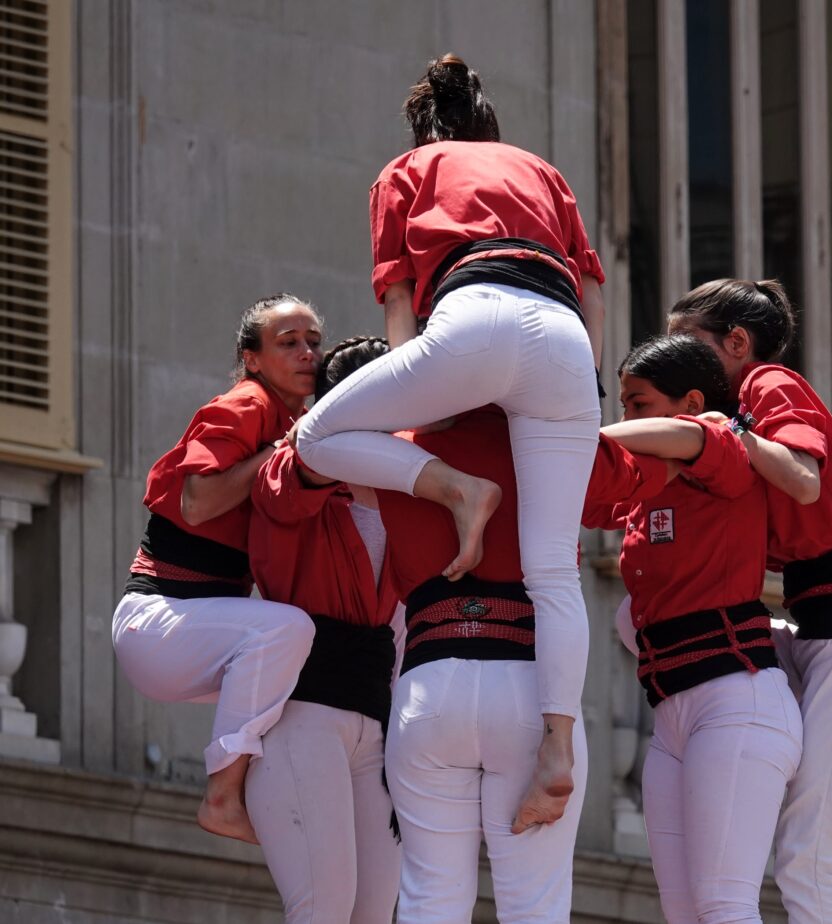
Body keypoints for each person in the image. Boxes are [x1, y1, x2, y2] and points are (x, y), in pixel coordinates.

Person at [295, 54, 605, 828]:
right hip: (565, 341)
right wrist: (584, 395)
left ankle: (459, 490)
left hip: (474, 317)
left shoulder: (406, 170)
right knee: (554, 572)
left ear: (424, 126)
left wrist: (419, 435)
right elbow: (592, 282)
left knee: (315, 437)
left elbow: (401, 300)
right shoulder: (542, 169)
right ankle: (558, 749)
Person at [668, 279, 832, 924]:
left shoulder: (767, 385)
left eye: (685, 342)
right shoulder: (733, 418)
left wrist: (723, 430)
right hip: (814, 632)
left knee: (804, 850)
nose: (673, 356)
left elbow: (803, 481)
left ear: (737, 343)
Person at [373, 402, 670, 924]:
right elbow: (642, 479)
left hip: (428, 682)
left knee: (428, 902)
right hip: (529, 685)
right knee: (535, 910)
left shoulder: (395, 444)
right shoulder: (548, 440)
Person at [589, 335, 803, 924]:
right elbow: (577, 494)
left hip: (737, 702)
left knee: (725, 906)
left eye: (638, 404)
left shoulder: (725, 452)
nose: (626, 416)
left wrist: (584, 437)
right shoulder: (646, 483)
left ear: (690, 402)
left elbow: (691, 437)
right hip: (671, 717)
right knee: (685, 915)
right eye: (623, 404)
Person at [111, 294, 321, 844]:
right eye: (289, 343)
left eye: (314, 343)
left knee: (320, 677)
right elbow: (198, 502)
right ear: (251, 358)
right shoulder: (248, 404)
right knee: (289, 631)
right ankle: (223, 798)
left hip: (187, 632)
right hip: (157, 621)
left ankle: (279, 805)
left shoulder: (295, 424)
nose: (307, 354)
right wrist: (277, 451)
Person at [245, 337, 402, 924]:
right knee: (323, 910)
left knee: (374, 914)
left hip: (376, 726)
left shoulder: (404, 487)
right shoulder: (292, 467)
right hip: (304, 714)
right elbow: (303, 465)